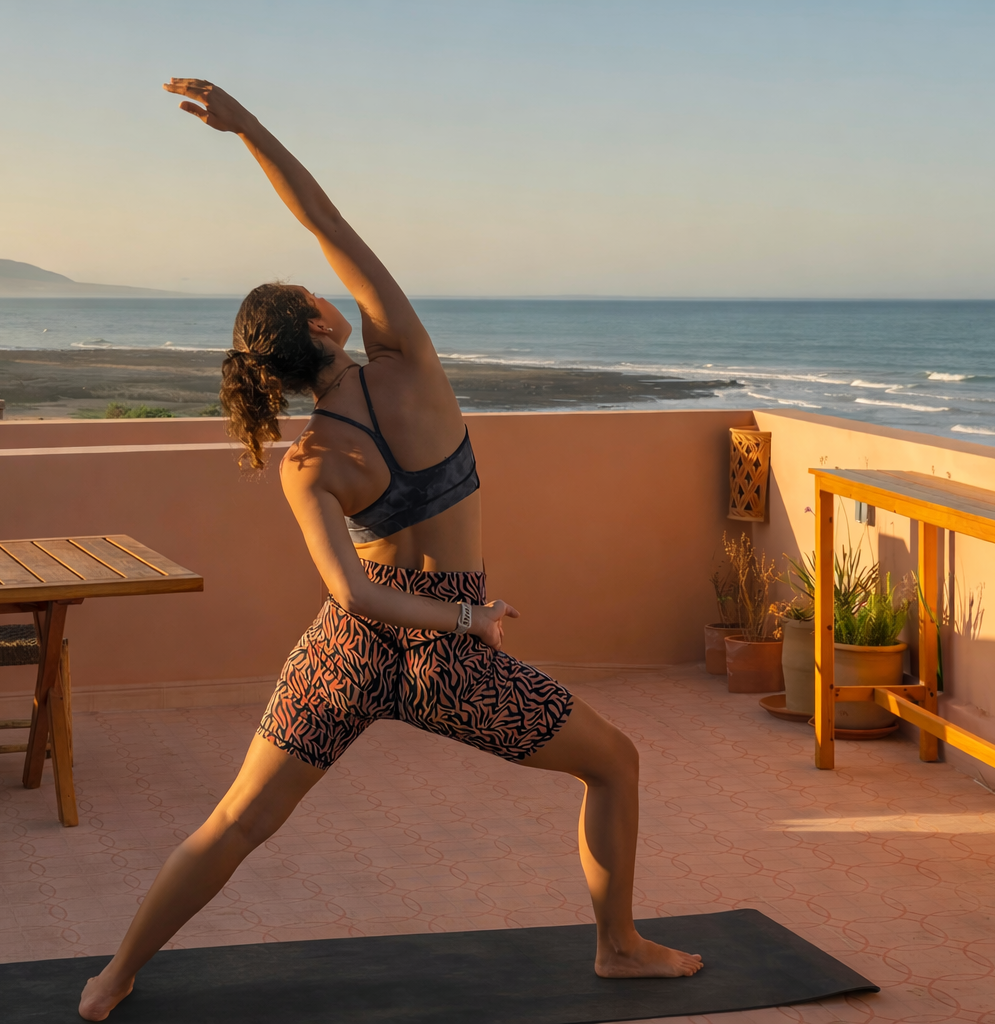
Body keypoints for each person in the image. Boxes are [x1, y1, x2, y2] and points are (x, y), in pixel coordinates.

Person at [78, 78, 702, 1022]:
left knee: (237, 821)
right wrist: (248, 128)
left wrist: (457, 618)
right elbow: (323, 217)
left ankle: (113, 977)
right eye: (313, 294)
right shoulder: (410, 358)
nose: (325, 292)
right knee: (613, 764)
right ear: (320, 324)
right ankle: (618, 947)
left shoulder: (307, 463)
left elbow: (353, 595)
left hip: (349, 653)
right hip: (452, 660)